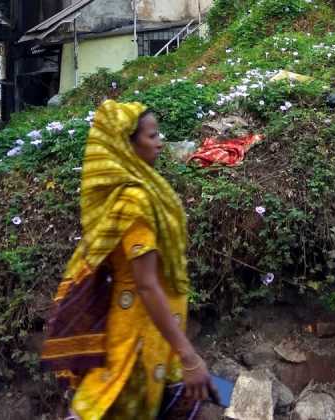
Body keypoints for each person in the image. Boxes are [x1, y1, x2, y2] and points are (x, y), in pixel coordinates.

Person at [40, 101, 212, 419]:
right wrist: (189, 356)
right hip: (137, 340)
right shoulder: (135, 203)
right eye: (152, 136)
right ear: (126, 146)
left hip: (149, 335)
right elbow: (146, 285)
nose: (160, 142)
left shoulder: (140, 192)